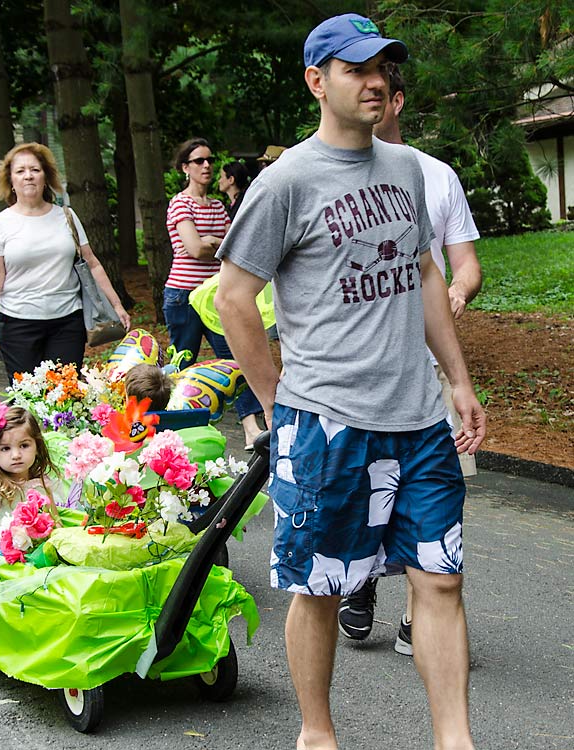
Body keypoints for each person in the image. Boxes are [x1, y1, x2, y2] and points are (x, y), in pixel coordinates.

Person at [214, 12, 485, 750]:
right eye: (357, 70)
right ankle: (317, 734)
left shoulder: (408, 169)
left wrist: (456, 379)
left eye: (383, 70)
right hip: (327, 423)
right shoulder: (286, 183)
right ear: (316, 80)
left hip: (419, 418)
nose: (376, 82)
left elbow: (425, 272)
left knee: (440, 579)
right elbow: (234, 298)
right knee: (322, 586)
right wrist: (279, 406)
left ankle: (454, 741)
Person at [338, 64, 483, 655]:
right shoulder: (332, 173)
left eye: (383, 85)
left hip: (431, 357)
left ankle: (419, 608)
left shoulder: (436, 176)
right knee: (370, 482)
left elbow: (462, 262)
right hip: (366, 364)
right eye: (360, 78)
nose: (373, 93)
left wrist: (457, 292)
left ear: (397, 100)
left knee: (440, 490)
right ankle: (363, 577)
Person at [0, 142, 130, 383]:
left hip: (66, 323)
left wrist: (116, 305)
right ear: (11, 181)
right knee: (26, 401)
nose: (28, 176)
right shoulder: (0, 224)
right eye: (20, 171)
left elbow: (92, 264)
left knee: (64, 399)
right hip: (17, 325)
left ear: (45, 176)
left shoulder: (66, 216)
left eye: (35, 169)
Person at [164, 137, 263, 449]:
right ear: (185, 168)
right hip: (182, 296)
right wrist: (212, 241)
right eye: (198, 161)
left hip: (216, 297)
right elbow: (194, 249)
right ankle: (172, 431)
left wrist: (210, 240)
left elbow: (235, 246)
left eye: (209, 160)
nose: (206, 166)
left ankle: (251, 430)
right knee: (183, 363)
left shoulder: (218, 206)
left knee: (237, 361)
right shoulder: (180, 203)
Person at [0, 403, 62, 541]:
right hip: (6, 555)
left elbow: (55, 522)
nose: (16, 455)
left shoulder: (41, 484)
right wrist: (11, 545)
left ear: (37, 446)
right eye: (5, 448)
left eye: (24, 445)